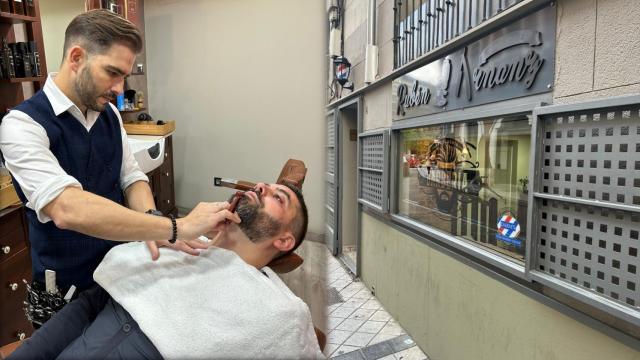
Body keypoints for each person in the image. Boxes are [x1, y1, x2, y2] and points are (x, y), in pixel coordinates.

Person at [0, 9, 235, 324]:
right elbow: (68, 209)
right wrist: (177, 227)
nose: (120, 89)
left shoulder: (108, 115)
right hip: (65, 290)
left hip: (119, 269)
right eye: (113, 72)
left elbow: (132, 177)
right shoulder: (22, 125)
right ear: (76, 57)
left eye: (124, 76)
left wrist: (150, 218)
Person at [8, 183, 323, 360]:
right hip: (94, 314)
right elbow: (102, 293)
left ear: (284, 240)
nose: (261, 186)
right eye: (265, 185)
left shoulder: (284, 312)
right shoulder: (184, 241)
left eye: (276, 197)